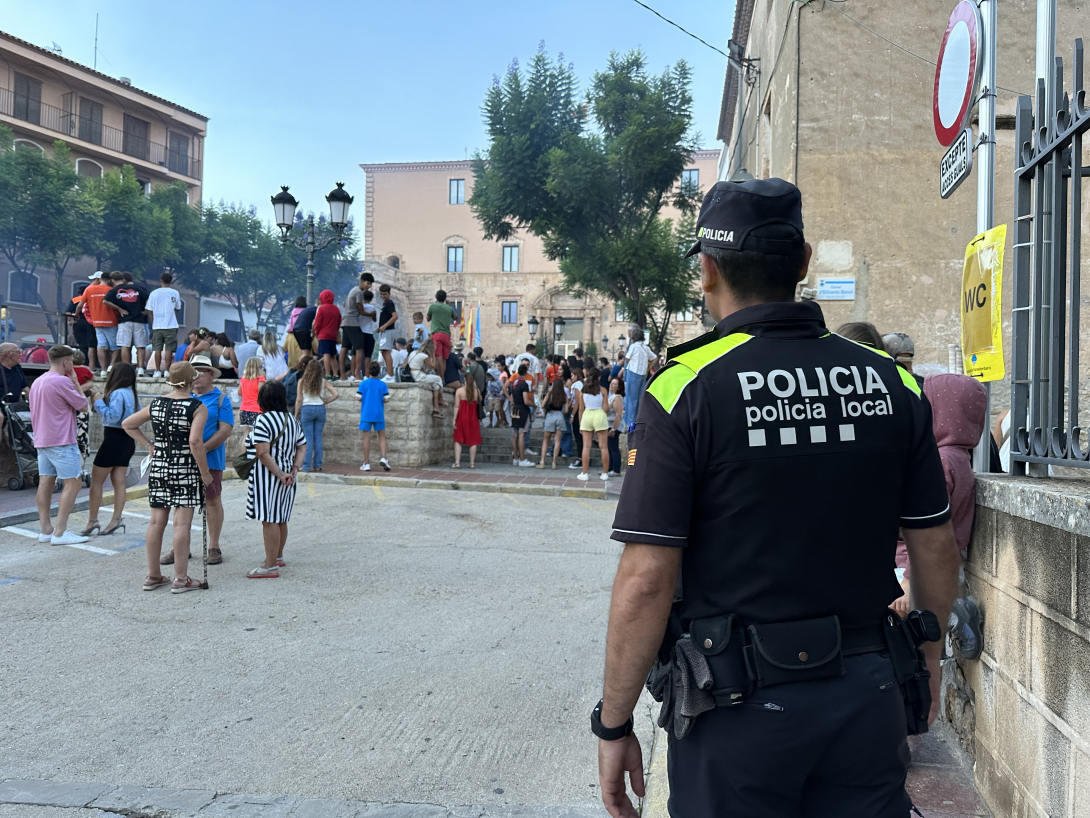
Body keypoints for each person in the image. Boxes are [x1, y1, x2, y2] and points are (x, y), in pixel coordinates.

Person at [596, 178, 960, 818]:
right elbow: (935, 544)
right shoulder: (893, 383)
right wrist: (926, 663)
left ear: (707, 270)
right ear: (803, 262)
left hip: (735, 714)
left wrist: (614, 723)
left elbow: (648, 577)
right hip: (868, 695)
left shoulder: (686, 390)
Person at [893, 374, 987, 659]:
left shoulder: (941, 463)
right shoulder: (957, 458)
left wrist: (910, 580)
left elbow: (929, 529)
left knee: (909, 635)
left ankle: (955, 615)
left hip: (914, 566)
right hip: (929, 564)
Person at [122, 362, 212, 592]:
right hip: (185, 469)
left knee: (155, 521)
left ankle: (153, 575)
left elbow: (128, 424)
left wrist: (148, 444)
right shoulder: (197, 407)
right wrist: (205, 474)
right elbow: (195, 442)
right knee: (181, 523)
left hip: (160, 466)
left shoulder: (157, 404)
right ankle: (181, 579)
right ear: (191, 381)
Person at [28, 345, 92, 546]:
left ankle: (46, 529)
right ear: (66, 362)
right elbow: (83, 406)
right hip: (61, 440)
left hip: (42, 439)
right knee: (73, 482)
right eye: (71, 362)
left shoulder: (38, 381)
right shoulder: (62, 381)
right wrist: (74, 382)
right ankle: (60, 532)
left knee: (45, 481)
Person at [244, 381, 307, 578]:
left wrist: (279, 473)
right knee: (281, 517)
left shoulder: (263, 421)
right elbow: (302, 446)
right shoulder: (292, 421)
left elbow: (262, 453)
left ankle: (270, 566)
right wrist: (294, 468)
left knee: (269, 519)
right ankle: (277, 556)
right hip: (289, 476)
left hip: (269, 477)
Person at [84, 362, 139, 537]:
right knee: (119, 482)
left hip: (114, 438)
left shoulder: (117, 393)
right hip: (127, 439)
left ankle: (93, 520)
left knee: (97, 481)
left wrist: (98, 402)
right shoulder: (132, 393)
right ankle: (116, 518)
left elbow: (113, 416)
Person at [190, 354, 234, 566]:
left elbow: (226, 430)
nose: (195, 376)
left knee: (212, 500)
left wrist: (201, 450)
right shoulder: (185, 396)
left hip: (211, 460)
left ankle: (214, 545)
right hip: (185, 460)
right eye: (192, 372)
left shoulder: (221, 399)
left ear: (210, 375)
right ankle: (180, 546)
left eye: (199, 371)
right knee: (183, 503)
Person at [294, 358, 339, 472]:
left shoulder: (302, 381)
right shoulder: (323, 382)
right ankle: (318, 465)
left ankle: (306, 466)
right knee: (318, 437)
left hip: (307, 409)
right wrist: (326, 401)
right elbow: (336, 394)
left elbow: (299, 400)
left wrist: (295, 414)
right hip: (320, 408)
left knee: (308, 438)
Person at [105, 272, 149, 375]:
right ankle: (140, 368)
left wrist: (119, 309)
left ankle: (127, 368)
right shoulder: (136, 288)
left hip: (124, 321)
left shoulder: (115, 291)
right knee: (140, 346)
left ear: (112, 280)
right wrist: (146, 310)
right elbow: (148, 297)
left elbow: (105, 301)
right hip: (138, 320)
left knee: (125, 345)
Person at [79, 272, 120, 372]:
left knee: (101, 346)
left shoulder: (89, 289)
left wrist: (76, 315)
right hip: (111, 321)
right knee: (115, 347)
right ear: (110, 280)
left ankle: (103, 370)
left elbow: (80, 305)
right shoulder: (112, 290)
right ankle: (111, 366)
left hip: (96, 322)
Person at [146, 271, 182, 378]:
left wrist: (153, 323)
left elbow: (150, 310)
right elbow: (178, 308)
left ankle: (157, 371)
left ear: (160, 281)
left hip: (157, 325)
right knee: (169, 349)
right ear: (171, 282)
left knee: (157, 349)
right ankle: (166, 370)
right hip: (171, 325)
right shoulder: (175, 293)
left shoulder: (154, 293)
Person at [576, 366, 610, 481]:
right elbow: (606, 408)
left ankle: (585, 473)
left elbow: (580, 409)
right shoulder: (603, 390)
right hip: (599, 415)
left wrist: (581, 423)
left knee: (586, 446)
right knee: (603, 447)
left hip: (587, 415)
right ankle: (605, 473)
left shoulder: (583, 391)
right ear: (599, 378)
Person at [356, 361, 391, 471]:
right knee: (382, 436)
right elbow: (387, 399)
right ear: (379, 372)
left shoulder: (363, 383)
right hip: (378, 413)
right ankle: (383, 458)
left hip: (366, 413)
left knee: (366, 437)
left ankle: (366, 463)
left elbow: (358, 397)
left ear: (369, 371)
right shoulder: (382, 384)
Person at [340, 272, 374, 382]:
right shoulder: (359, 292)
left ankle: (342, 375)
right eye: (367, 283)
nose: (369, 286)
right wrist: (371, 315)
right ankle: (357, 375)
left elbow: (346, 304)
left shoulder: (353, 290)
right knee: (359, 348)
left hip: (345, 322)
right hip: (352, 322)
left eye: (370, 284)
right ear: (362, 281)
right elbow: (361, 311)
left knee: (344, 348)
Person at [622, 323, 656, 429]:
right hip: (642, 375)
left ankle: (629, 423)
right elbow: (655, 358)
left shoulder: (633, 346)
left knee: (631, 399)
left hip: (633, 373)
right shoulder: (645, 348)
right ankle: (638, 421)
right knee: (640, 399)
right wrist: (648, 367)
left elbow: (627, 359)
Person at [452, 368, 482, 468]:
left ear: (464, 379)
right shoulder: (476, 391)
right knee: (473, 440)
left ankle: (457, 463)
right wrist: (475, 386)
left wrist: (454, 419)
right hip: (473, 418)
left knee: (458, 440)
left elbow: (456, 406)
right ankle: (472, 463)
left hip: (462, 417)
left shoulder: (459, 391)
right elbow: (480, 400)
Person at [536, 377, 567, 469]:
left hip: (550, 416)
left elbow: (542, 405)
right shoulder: (564, 395)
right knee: (557, 441)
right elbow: (566, 410)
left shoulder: (550, 394)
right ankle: (554, 462)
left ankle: (542, 461)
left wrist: (548, 394)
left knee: (546, 440)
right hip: (560, 416)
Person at [407, 338, 443, 416]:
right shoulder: (424, 356)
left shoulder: (413, 353)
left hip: (413, 374)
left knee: (436, 385)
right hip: (418, 376)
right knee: (438, 378)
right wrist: (433, 354)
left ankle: (436, 407)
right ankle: (440, 399)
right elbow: (433, 366)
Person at [508, 363, 534, 467]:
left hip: (515, 409)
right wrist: (534, 405)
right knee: (522, 435)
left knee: (515, 435)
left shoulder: (515, 384)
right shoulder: (524, 384)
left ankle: (515, 458)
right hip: (522, 409)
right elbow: (526, 401)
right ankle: (522, 459)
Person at [313, 289, 342, 380]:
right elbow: (339, 322)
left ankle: (328, 374)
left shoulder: (321, 308)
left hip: (323, 335)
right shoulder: (336, 309)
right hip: (333, 335)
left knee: (326, 354)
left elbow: (317, 323)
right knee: (333, 355)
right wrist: (335, 331)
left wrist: (317, 333)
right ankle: (336, 374)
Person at [427, 290, 454, 383]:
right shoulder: (449, 308)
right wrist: (448, 306)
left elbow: (427, 319)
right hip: (446, 335)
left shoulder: (433, 306)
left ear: (436, 297)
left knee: (438, 358)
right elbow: (456, 318)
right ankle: (443, 378)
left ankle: (441, 379)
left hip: (437, 334)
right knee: (444, 359)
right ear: (445, 298)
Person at [377, 284, 399, 382]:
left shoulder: (389, 303)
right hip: (384, 330)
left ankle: (390, 375)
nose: (382, 296)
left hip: (388, 330)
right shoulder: (385, 303)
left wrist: (385, 326)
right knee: (383, 351)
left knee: (386, 351)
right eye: (381, 294)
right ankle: (388, 374)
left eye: (384, 294)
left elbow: (395, 316)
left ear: (389, 294)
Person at [238, 357, 265, 433]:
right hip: (257, 409)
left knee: (246, 436)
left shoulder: (243, 378)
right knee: (257, 437)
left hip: (244, 409)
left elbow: (239, 392)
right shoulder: (260, 378)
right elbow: (262, 391)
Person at [606, 375, 625, 476]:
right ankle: (610, 468)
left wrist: (613, 428)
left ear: (619, 387)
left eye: (614, 384)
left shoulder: (617, 398)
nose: (611, 385)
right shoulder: (612, 397)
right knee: (610, 447)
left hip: (614, 426)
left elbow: (618, 415)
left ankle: (616, 470)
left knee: (613, 447)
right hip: (610, 424)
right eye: (611, 383)